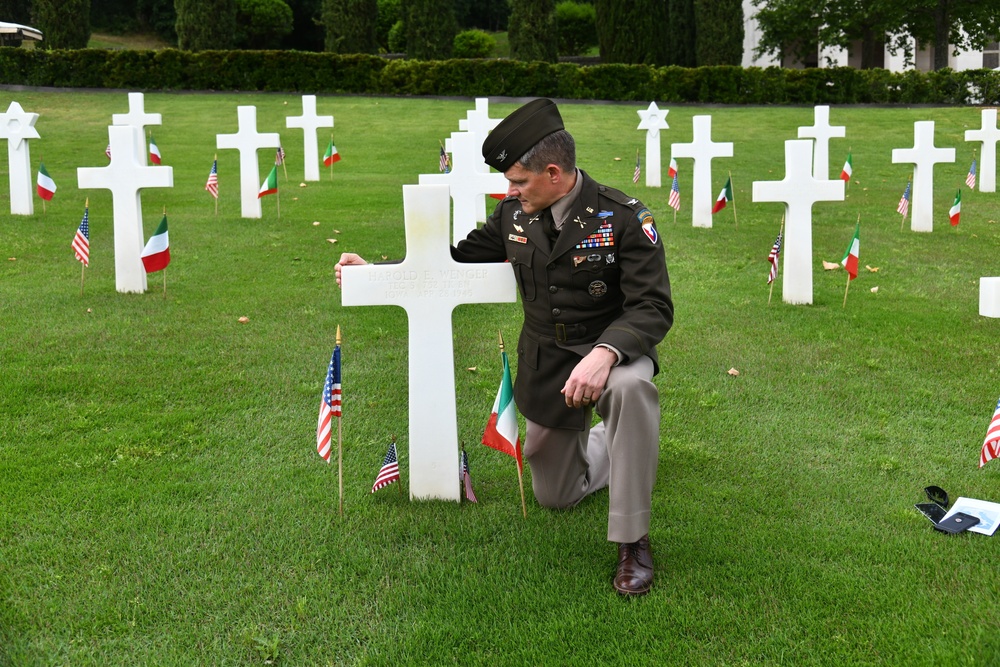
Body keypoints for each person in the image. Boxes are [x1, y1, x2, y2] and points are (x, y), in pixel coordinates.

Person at [336, 98, 673, 596]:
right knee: (556, 496)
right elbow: (450, 262)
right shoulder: (514, 216)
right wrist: (378, 273)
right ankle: (621, 446)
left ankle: (633, 542)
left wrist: (605, 355)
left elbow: (653, 306)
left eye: (518, 181)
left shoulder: (623, 218)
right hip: (547, 364)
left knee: (630, 392)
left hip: (610, 354)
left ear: (554, 173)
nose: (509, 190)